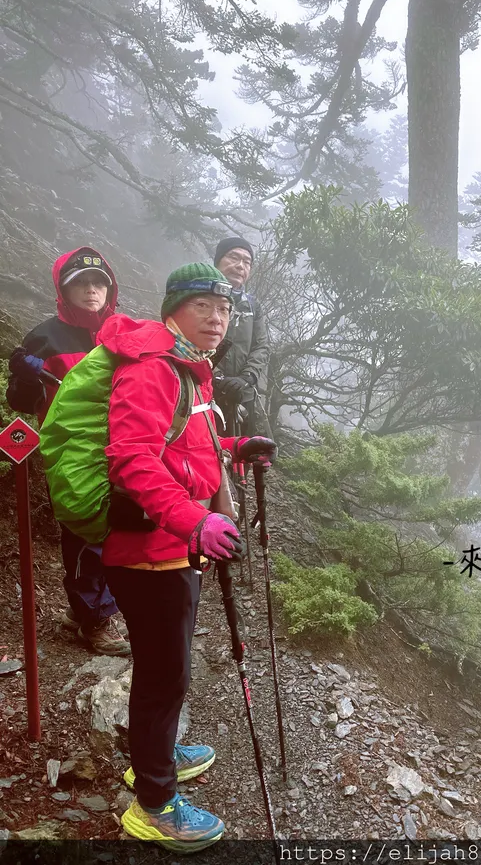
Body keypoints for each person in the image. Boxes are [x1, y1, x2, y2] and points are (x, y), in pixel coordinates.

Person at [89, 262, 276, 850]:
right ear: (173, 309)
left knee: (164, 669)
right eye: (203, 306)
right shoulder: (151, 370)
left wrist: (233, 446)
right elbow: (133, 460)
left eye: (224, 310)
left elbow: (182, 446)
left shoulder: (188, 371)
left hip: (169, 545)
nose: (218, 318)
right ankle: (154, 803)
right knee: (164, 675)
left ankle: (156, 752)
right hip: (149, 550)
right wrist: (195, 518)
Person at [6, 247, 130, 657]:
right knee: (88, 531)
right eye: (81, 284)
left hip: (120, 443)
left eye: (99, 283)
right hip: (71, 450)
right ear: (64, 289)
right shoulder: (45, 336)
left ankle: (83, 611)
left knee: (106, 528)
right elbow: (22, 402)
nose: (92, 290)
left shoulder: (121, 331)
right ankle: (95, 620)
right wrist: (23, 374)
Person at [211, 237, 270, 437]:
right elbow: (189, 338)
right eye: (234, 257)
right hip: (205, 390)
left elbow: (262, 346)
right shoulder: (200, 296)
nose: (240, 266)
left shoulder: (253, 306)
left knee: (242, 455)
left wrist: (247, 377)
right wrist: (216, 377)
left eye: (247, 262)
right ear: (218, 260)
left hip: (243, 394)